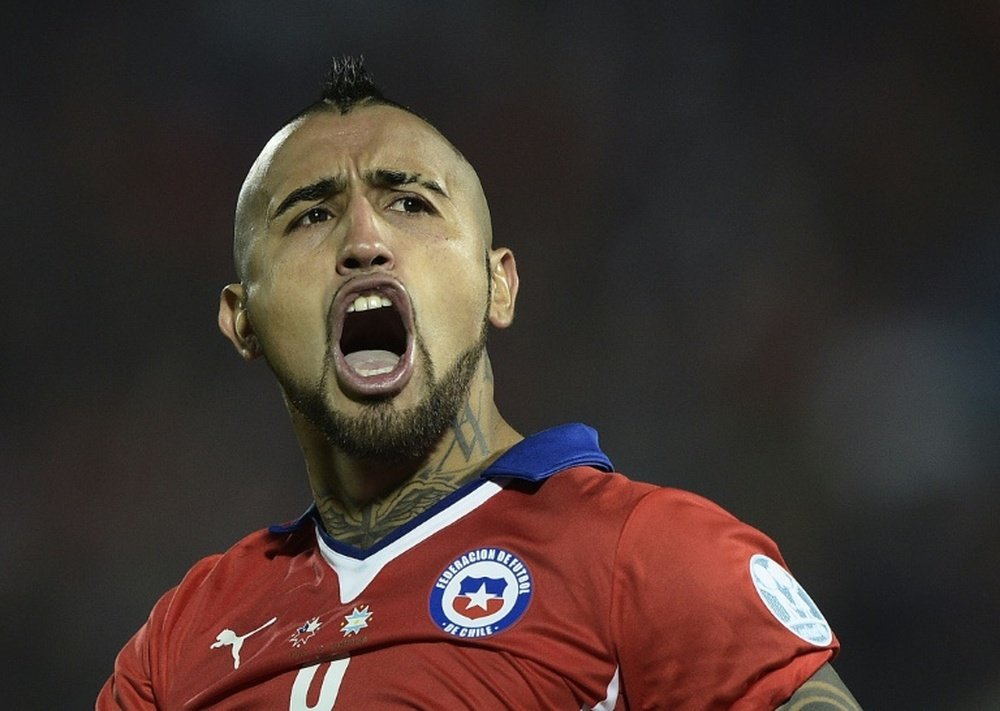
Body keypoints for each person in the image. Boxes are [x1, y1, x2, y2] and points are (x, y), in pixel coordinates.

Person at [98, 56, 861, 710]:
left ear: (499, 286)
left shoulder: (648, 555)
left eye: (410, 203)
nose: (365, 241)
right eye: (309, 216)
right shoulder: (178, 643)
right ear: (244, 322)